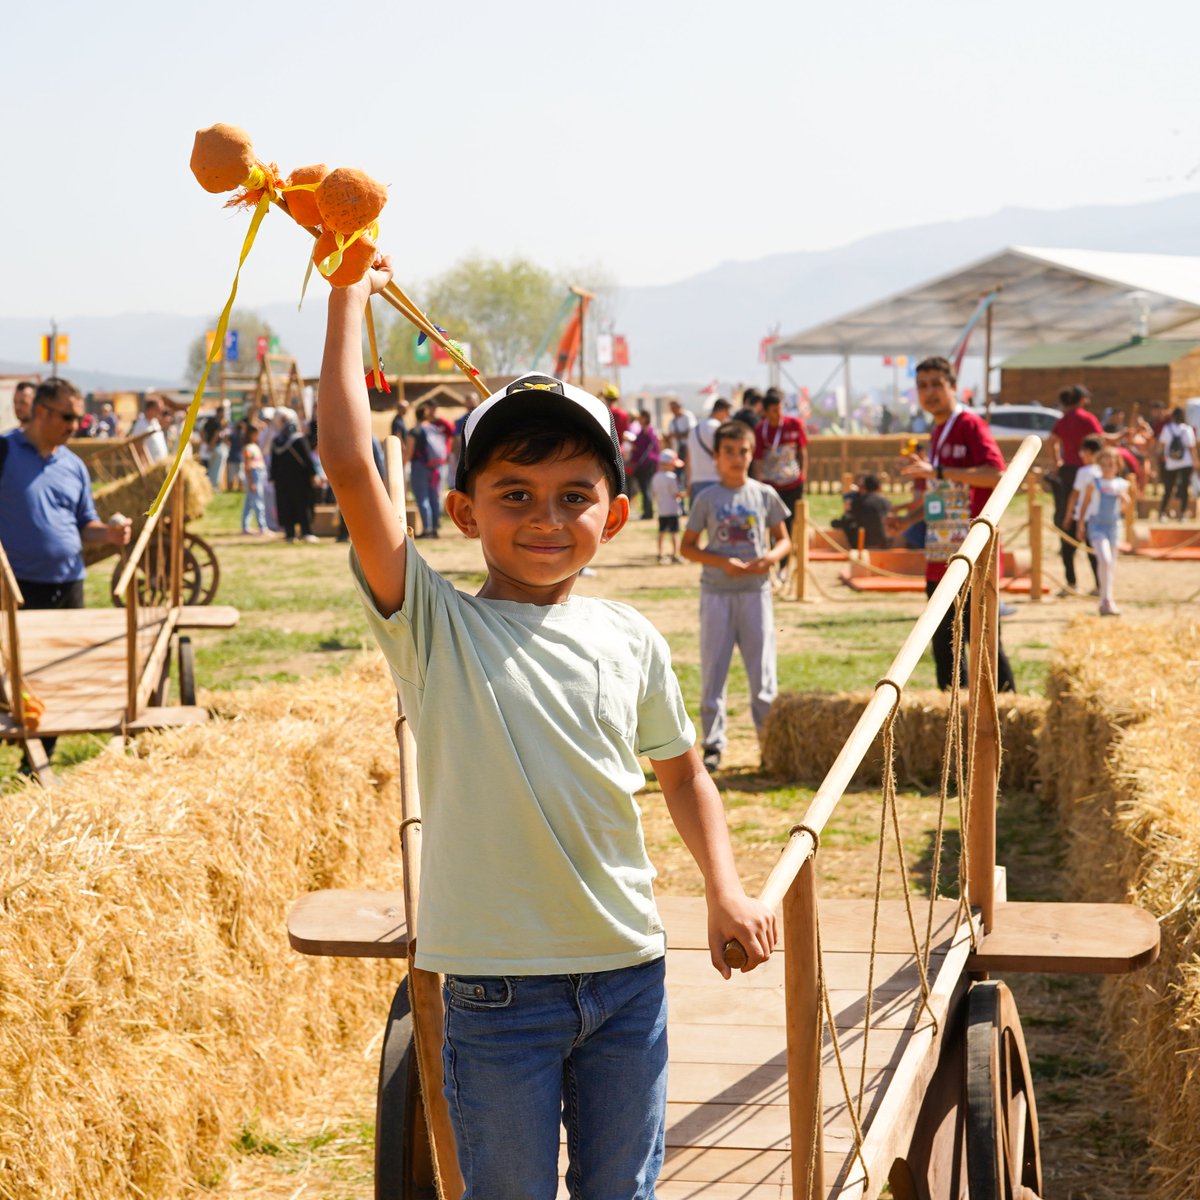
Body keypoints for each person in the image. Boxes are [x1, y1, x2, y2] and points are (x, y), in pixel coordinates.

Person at [316, 255, 776, 1200]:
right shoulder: (435, 627)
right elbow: (351, 466)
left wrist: (724, 889)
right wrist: (347, 294)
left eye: (574, 495)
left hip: (627, 974)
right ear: (462, 511)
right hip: (496, 992)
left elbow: (684, 775)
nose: (546, 518)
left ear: (615, 514)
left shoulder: (630, 636)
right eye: (514, 494)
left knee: (623, 1191)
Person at [0, 378, 131, 765]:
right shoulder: (4, 452)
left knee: (59, 673)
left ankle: (38, 762)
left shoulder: (73, 466)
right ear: (41, 412)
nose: (76, 426)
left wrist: (108, 533)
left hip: (69, 582)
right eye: (68, 417)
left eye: (79, 418)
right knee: (14, 673)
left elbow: (84, 523)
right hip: (17, 586)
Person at [891, 357, 1015, 692]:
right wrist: (907, 520)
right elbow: (943, 493)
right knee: (944, 645)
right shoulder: (938, 432)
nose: (929, 392)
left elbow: (996, 474)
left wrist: (938, 472)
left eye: (936, 384)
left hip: (972, 553)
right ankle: (950, 717)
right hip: (941, 553)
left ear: (953, 387)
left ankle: (1006, 711)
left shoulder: (970, 425)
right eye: (922, 386)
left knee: (984, 645)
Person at [681, 420, 791, 773]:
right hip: (717, 593)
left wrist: (770, 559)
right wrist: (720, 562)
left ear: (751, 453)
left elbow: (785, 539)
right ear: (715, 456)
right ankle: (713, 744)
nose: (736, 458)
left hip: (755, 593)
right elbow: (687, 547)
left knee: (763, 674)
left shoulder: (764, 494)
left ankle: (768, 743)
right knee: (714, 669)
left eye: (743, 451)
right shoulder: (707, 499)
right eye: (728, 451)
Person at [1047, 385, 1105, 593]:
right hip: (1085, 475)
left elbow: (1051, 441)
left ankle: (1071, 582)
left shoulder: (1063, 420)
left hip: (1068, 473)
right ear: (1081, 399)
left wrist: (1056, 462)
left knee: (1067, 531)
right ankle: (1099, 584)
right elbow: (1101, 439)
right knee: (1090, 534)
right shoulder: (1087, 418)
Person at [752, 387, 807, 570]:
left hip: (792, 482)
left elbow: (802, 452)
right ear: (766, 411)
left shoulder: (794, 424)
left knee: (790, 522)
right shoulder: (760, 430)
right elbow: (757, 460)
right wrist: (759, 484)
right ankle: (771, 559)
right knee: (771, 523)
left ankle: (785, 564)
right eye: (774, 410)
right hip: (770, 484)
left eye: (780, 408)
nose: (778, 413)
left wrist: (803, 474)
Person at [1075, 448, 1134, 617]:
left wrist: (1125, 501)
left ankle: (1106, 599)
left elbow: (1122, 509)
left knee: (1110, 563)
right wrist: (1080, 523)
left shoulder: (1121, 484)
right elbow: (1085, 503)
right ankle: (1105, 598)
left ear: (1117, 466)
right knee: (1105, 559)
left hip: (1113, 526)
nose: (1107, 468)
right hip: (1097, 525)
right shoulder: (1094, 483)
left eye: (1110, 465)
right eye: (1104, 465)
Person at [1062, 434, 1103, 597]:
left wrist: (1068, 516)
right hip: (1097, 518)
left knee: (1067, 550)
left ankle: (1072, 583)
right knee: (1094, 554)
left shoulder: (1085, 471)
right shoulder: (1104, 471)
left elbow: (1074, 495)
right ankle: (1100, 586)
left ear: (1090, 452)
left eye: (1083, 452)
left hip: (1081, 517)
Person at [269, 408, 319, 542]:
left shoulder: (278, 441)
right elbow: (308, 460)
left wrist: (273, 477)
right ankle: (301, 532)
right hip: (298, 480)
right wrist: (313, 474)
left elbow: (274, 464)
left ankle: (294, 533)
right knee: (298, 505)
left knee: (291, 505)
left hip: (286, 481)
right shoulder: (298, 440)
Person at [409, 401, 453, 537]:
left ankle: (427, 529)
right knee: (435, 498)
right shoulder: (435, 429)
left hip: (419, 467)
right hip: (436, 467)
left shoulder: (415, 431)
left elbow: (409, 453)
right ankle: (434, 528)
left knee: (423, 498)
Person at [1156, 405, 1198, 520]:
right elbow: (1192, 448)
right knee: (1184, 489)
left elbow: (1161, 445)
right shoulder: (1187, 429)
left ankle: (1162, 513)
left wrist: (1161, 457)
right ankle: (1182, 514)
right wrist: (1195, 461)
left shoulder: (1167, 428)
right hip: (1186, 462)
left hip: (1171, 462)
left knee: (1168, 488)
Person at [686, 398, 730, 504]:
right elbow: (724, 454)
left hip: (696, 481)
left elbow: (688, 458)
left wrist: (689, 482)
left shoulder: (694, 429)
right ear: (723, 411)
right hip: (716, 479)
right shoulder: (718, 428)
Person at [834, 473, 891, 549]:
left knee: (846, 519)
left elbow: (848, 515)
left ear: (864, 487)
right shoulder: (885, 501)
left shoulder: (858, 502)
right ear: (878, 487)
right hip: (883, 542)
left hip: (862, 543)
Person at [627, 408, 662, 519]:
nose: (639, 420)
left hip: (647, 464)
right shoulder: (643, 431)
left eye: (641, 418)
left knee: (646, 488)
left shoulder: (649, 431)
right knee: (644, 488)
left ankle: (648, 513)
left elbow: (649, 447)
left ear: (645, 418)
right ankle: (647, 511)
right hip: (645, 464)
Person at [652, 450, 683, 562]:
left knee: (661, 532)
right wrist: (684, 494)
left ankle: (660, 554)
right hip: (672, 509)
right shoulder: (671, 477)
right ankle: (675, 554)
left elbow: (654, 493)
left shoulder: (655, 477)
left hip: (662, 510)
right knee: (674, 533)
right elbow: (675, 493)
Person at [241, 421, 268, 534]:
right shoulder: (248, 448)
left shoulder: (254, 446)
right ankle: (262, 526)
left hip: (258, 473)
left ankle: (245, 526)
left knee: (249, 501)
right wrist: (251, 481)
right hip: (254, 474)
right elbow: (247, 466)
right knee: (258, 500)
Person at [130, 396, 169, 463]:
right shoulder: (140, 425)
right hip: (151, 466)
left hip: (160, 464)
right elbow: (137, 448)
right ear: (150, 409)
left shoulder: (155, 422)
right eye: (158, 409)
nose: (160, 411)